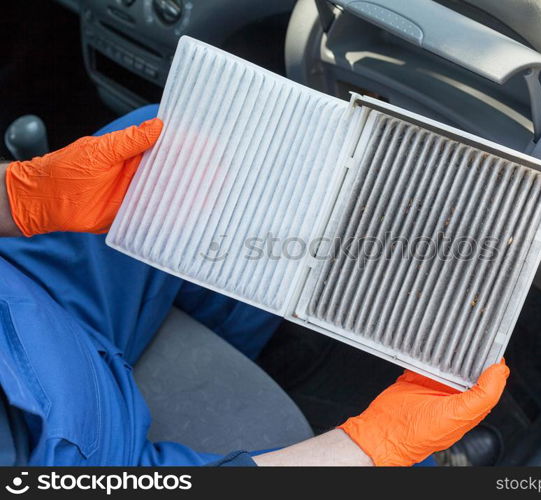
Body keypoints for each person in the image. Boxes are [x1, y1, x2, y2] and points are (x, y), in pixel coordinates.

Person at [0, 106, 509, 466]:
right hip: (75, 442)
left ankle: (266, 342)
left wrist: (19, 197)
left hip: (24, 292)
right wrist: (370, 449)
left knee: (179, 146)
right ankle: (430, 466)